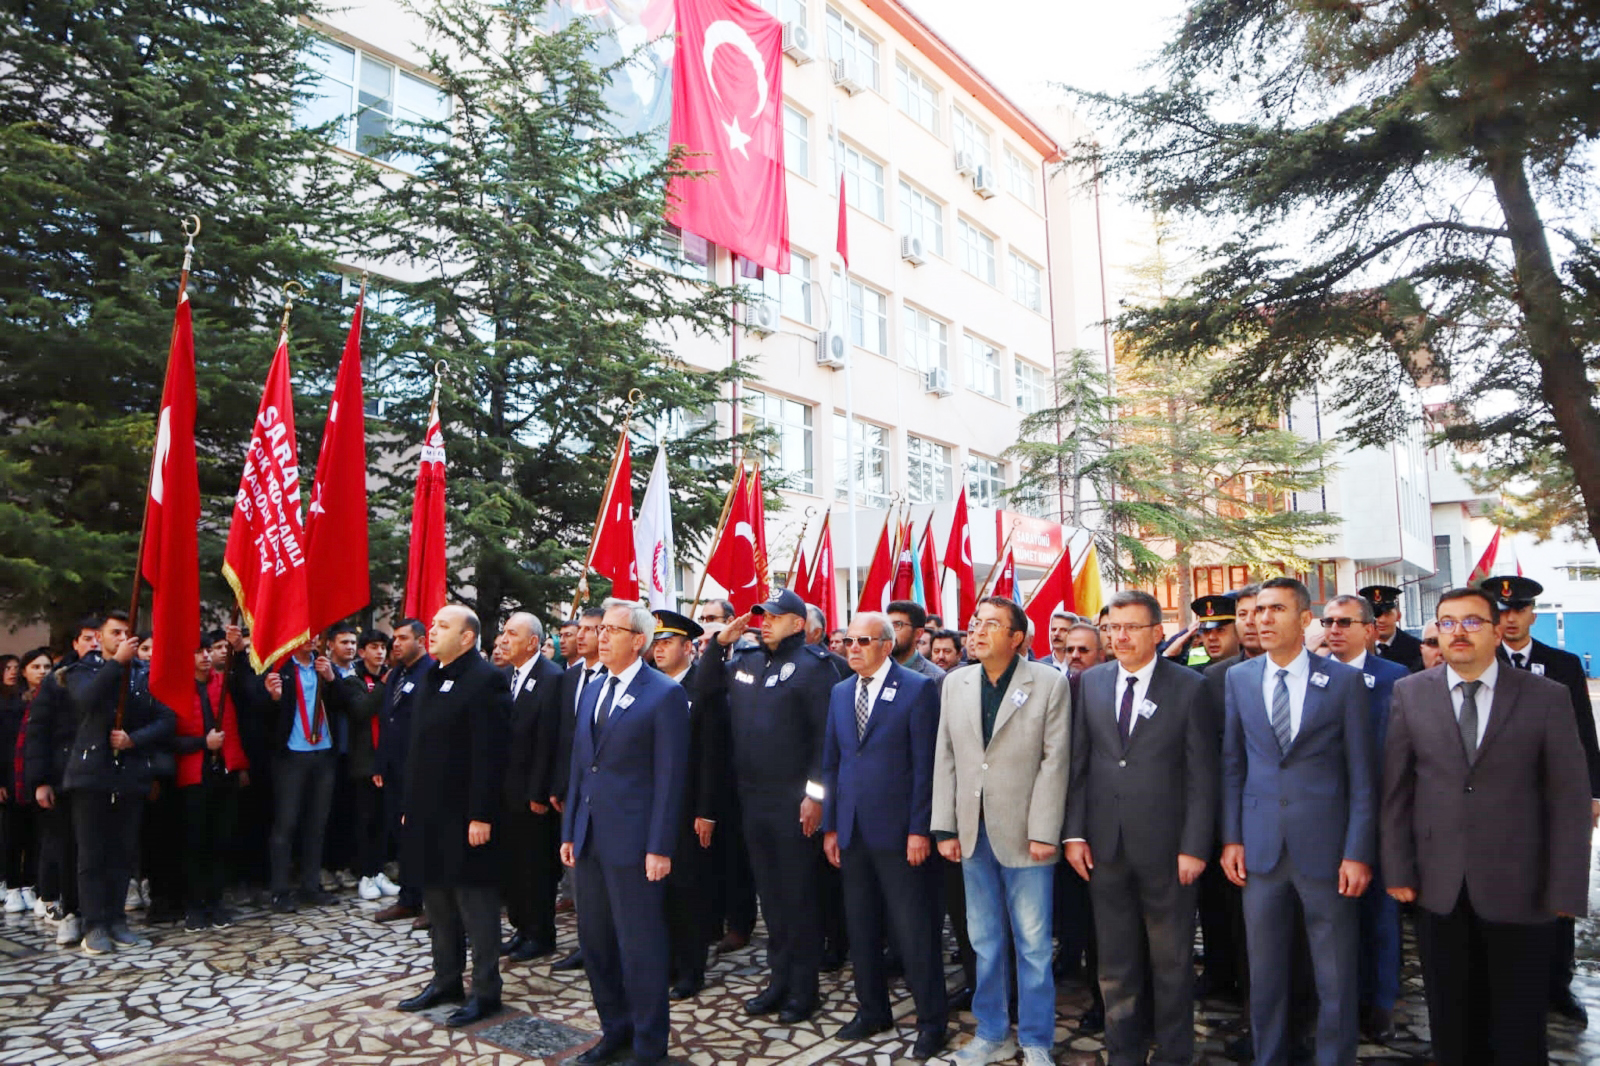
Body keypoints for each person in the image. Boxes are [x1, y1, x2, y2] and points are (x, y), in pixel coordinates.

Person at [1382, 587, 1591, 1066]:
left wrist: (1566, 887)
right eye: (1447, 622)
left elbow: (1570, 798)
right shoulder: (1411, 693)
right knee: (1453, 1027)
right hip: (1439, 885)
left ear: (1497, 632)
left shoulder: (1546, 697)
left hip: (1523, 887)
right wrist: (1398, 870)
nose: (1458, 632)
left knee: (1518, 1029)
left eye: (1472, 622)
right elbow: (1396, 791)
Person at [1221, 577, 1375, 1066]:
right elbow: (1233, 765)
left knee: (1334, 975)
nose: (1262, 620)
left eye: (1275, 611)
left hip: (1327, 854)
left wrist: (1357, 851)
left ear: (1304, 619)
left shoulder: (1344, 682)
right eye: (1258, 611)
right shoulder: (1239, 679)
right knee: (1265, 974)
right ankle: (1269, 1057)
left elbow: (1362, 776)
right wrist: (1231, 838)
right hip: (1261, 850)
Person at [1065, 590, 1217, 1066]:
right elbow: (1079, 764)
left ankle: (1173, 1054)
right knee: (1114, 964)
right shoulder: (1091, 683)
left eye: (1131, 627)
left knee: (1171, 964)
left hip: (1169, 850)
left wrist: (1195, 846)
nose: (1120, 636)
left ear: (1157, 632)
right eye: (1113, 627)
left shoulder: (1190, 686)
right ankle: (1124, 1051)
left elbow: (1202, 776)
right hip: (1104, 848)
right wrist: (1073, 834)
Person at [695, 587, 845, 1025]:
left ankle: (803, 989)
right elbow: (705, 694)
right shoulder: (746, 662)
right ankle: (779, 982)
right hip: (752, 801)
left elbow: (825, 741)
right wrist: (719, 645)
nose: (764, 621)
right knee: (772, 900)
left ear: (798, 624)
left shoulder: (815, 668)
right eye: (761, 615)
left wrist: (815, 798)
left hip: (794, 804)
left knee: (798, 898)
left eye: (774, 617)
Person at [932, 596, 1071, 1066]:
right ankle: (992, 1032)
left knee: (1032, 944)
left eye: (992, 624)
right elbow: (946, 757)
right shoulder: (956, 683)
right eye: (975, 623)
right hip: (972, 833)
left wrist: (1045, 829)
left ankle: (1035, 1039)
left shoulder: (1049, 684)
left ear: (1017, 638)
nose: (978, 631)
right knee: (984, 941)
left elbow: (1056, 762)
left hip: (1028, 834)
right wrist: (944, 827)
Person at [561, 600, 689, 1066]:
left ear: (638, 640)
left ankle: (648, 1043)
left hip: (635, 844)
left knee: (640, 946)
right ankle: (613, 1029)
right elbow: (581, 766)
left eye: (612, 630)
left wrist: (659, 846)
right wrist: (571, 828)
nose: (601, 637)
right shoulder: (593, 688)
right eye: (600, 630)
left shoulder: (663, 694)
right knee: (596, 943)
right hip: (591, 838)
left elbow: (670, 778)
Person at [821, 613, 948, 1062]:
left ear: (886, 644)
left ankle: (933, 1021)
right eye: (847, 640)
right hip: (853, 831)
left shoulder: (917, 690)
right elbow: (831, 763)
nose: (851, 647)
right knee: (862, 926)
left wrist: (919, 830)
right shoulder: (839, 693)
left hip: (900, 835)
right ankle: (872, 1009)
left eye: (862, 641)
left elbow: (925, 768)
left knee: (914, 931)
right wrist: (831, 825)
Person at [1478, 573, 1600, 1027]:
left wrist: (1592, 791)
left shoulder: (1563, 664)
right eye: (1501, 611)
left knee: (1558, 887)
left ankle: (1557, 984)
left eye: (1518, 611)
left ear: (1532, 613)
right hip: (1493, 801)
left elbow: (1583, 732)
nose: (1509, 620)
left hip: (1552, 797)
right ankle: (1500, 982)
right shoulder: (1478, 664)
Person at [27, 611, 174, 954]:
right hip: (90, 773)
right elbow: (86, 700)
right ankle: (93, 924)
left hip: (129, 773)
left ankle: (116, 920)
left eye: (126, 633)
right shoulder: (77, 672)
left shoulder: (142, 674)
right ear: (101, 637)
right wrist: (115, 665)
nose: (121, 638)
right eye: (114, 632)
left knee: (122, 853)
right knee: (91, 855)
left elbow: (166, 718)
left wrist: (133, 739)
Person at [396, 605, 511, 1027]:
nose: (434, 631)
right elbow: (417, 750)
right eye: (434, 624)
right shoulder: (430, 675)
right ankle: (446, 980)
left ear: (467, 638)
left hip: (466, 818)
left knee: (475, 907)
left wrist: (481, 814)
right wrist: (409, 805)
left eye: (444, 626)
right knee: (438, 905)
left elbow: (490, 755)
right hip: (429, 816)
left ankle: (486, 991)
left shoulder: (486, 681)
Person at [1317, 593, 1409, 1042]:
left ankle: (1379, 1004)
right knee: (1331, 918)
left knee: (1378, 917)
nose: (1334, 630)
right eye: (1328, 621)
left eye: (1345, 622)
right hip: (1323, 815)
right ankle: (1336, 1002)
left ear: (1370, 630)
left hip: (1377, 812)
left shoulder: (1395, 679)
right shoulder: (1313, 674)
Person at [651, 609, 724, 1000]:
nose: (659, 650)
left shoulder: (701, 689)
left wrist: (706, 810)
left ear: (688, 647)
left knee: (689, 891)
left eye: (667, 643)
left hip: (691, 807)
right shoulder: (651, 686)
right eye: (656, 643)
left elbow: (711, 756)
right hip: (655, 806)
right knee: (660, 890)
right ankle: (667, 962)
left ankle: (691, 970)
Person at [254, 639, 351, 914]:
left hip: (323, 752)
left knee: (317, 824)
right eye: (306, 633)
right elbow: (261, 714)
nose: (312, 639)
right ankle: (280, 890)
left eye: (316, 635)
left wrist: (332, 680)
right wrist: (272, 699)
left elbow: (345, 705)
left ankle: (311, 885)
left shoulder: (324, 667)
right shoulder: (280, 668)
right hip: (291, 755)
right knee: (286, 824)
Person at [497, 611, 565, 962]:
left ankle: (541, 934)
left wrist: (541, 792)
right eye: (504, 633)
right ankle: (521, 929)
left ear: (533, 642)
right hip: (506, 792)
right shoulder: (505, 675)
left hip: (533, 794)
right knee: (513, 868)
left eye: (512, 633)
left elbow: (550, 741)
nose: (504, 639)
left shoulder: (553, 678)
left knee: (536, 869)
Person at [175, 637, 250, 930]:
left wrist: (240, 765)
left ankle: (216, 902)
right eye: (198, 652)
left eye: (208, 651)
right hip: (194, 774)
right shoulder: (179, 689)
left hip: (225, 772)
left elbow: (238, 716)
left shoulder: (222, 683)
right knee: (195, 842)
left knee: (221, 839)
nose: (205, 656)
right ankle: (194, 905)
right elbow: (169, 736)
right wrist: (201, 743)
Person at [548, 606, 607, 971]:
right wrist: (557, 784)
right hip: (573, 789)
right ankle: (587, 943)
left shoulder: (615, 678)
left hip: (605, 793)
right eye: (580, 629)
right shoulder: (569, 678)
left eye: (592, 629)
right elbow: (562, 737)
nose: (582, 635)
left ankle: (606, 943)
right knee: (579, 872)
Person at [373, 619, 431, 925]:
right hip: (394, 768)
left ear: (421, 641)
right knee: (401, 834)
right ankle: (408, 899)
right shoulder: (396, 674)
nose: (396, 644)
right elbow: (388, 719)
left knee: (421, 835)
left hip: (419, 768)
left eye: (403, 638)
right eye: (394, 638)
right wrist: (381, 761)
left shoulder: (431, 673)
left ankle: (428, 902)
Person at [344, 629, 397, 903]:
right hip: (364, 762)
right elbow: (362, 710)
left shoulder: (391, 676)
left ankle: (378, 871)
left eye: (382, 647)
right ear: (362, 652)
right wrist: (386, 686)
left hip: (388, 760)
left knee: (383, 820)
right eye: (373, 647)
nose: (379, 652)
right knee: (365, 820)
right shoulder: (353, 680)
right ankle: (365, 874)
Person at [2, 648, 51, 916]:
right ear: (24, 671)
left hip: (37, 778)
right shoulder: (11, 703)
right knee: (13, 835)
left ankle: (32, 886)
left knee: (37, 835)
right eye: (36, 667)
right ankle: (12, 887)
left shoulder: (52, 699)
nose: (42, 671)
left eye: (46, 667)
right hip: (12, 778)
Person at [1358, 585, 1424, 673]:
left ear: (1398, 616)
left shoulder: (1416, 649)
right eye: (1375, 614)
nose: (1381, 620)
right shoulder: (1357, 647)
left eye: (1387, 614)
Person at [886, 600, 946, 683]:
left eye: (897, 625)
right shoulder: (871, 669)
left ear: (918, 633)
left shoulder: (934, 677)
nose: (889, 631)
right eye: (887, 625)